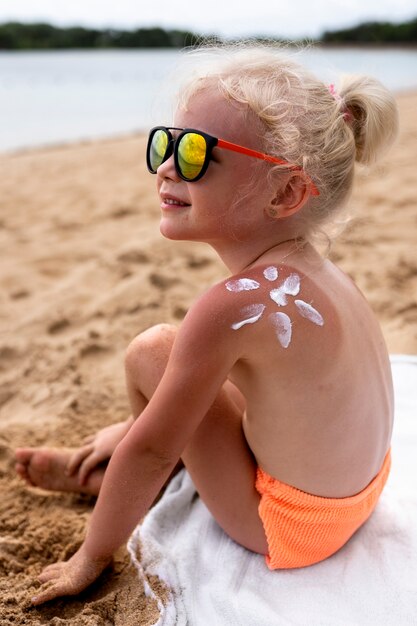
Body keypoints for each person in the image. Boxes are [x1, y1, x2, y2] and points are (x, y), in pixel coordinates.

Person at [15, 44, 398, 605]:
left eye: (196, 153)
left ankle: (108, 480)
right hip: (362, 493)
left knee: (153, 352)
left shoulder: (230, 306)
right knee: (183, 371)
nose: (168, 167)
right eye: (165, 143)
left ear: (285, 191)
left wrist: (92, 556)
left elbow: (151, 449)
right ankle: (117, 448)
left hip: (287, 526)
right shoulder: (324, 274)